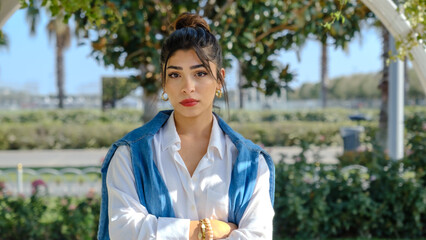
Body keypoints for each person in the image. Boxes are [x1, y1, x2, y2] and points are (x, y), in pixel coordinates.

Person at [98, 12, 275, 240]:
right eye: (175, 75)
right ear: (164, 82)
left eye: (200, 73)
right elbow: (123, 231)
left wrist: (159, 229)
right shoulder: (129, 156)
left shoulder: (251, 163)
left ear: (220, 79)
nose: (188, 87)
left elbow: (257, 236)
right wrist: (212, 230)